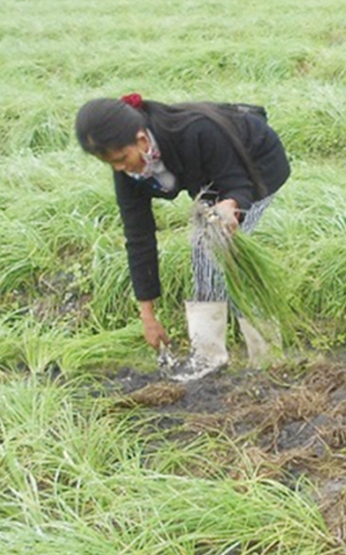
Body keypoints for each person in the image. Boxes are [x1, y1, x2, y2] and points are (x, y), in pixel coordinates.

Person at [75, 94, 291, 381]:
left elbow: (236, 182)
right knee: (208, 248)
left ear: (141, 140)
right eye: (110, 164)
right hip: (212, 175)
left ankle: (266, 358)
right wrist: (147, 315)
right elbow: (138, 237)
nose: (119, 168)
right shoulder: (129, 172)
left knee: (221, 252)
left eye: (121, 158)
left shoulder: (195, 131)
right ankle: (209, 356)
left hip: (257, 162)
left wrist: (231, 207)